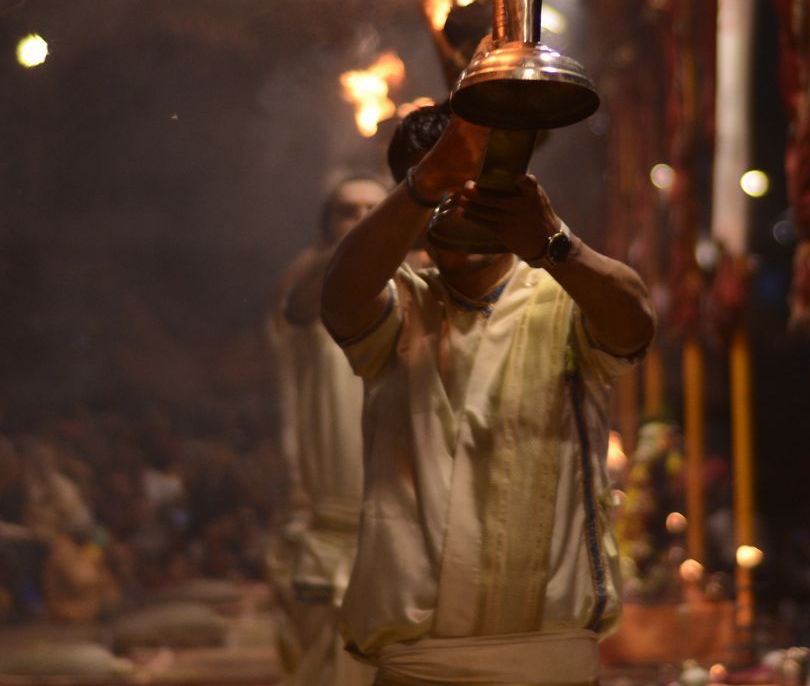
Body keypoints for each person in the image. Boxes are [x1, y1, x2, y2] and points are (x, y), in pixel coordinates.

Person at [320, 106, 655, 686]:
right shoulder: (402, 305)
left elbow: (635, 322)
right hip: (418, 669)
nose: (460, 207)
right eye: (441, 194)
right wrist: (428, 180)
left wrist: (554, 244)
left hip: (549, 663)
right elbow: (340, 300)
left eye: (477, 190)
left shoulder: (566, 294)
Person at [268, 175, 386, 686]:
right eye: (347, 211)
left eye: (373, 210)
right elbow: (299, 300)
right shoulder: (309, 300)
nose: (360, 219)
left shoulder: (420, 291)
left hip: (406, 523)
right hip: (328, 522)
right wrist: (355, 247)